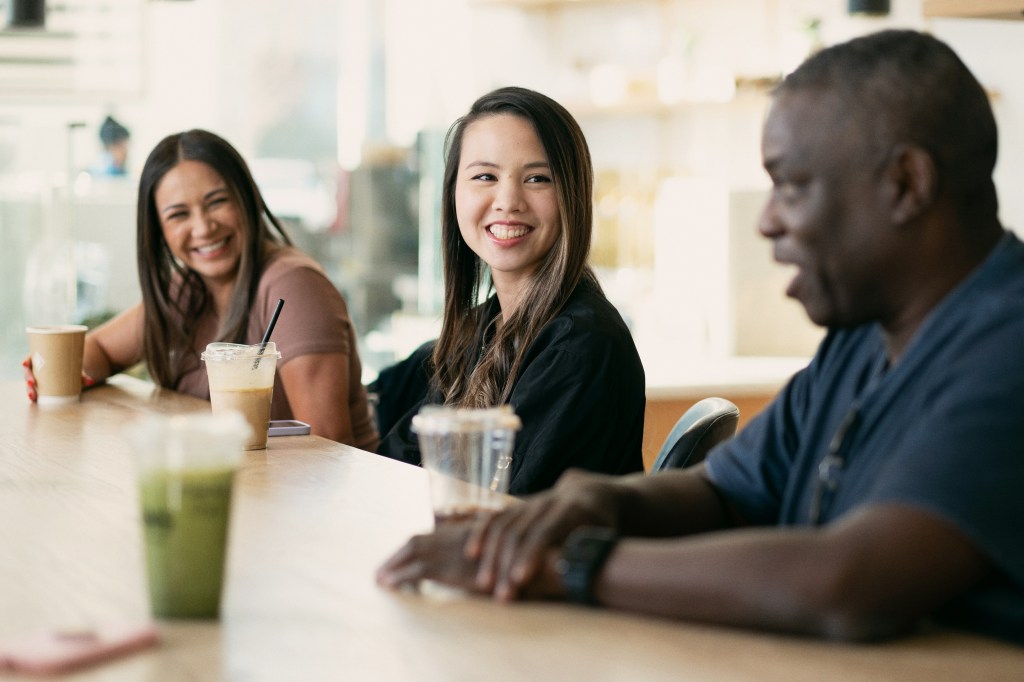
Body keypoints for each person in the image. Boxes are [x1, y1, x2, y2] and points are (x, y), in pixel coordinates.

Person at [377, 30, 1024, 645]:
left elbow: (847, 582)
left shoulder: (1007, 349)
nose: (767, 222)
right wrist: (597, 498)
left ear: (906, 184)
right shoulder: (860, 343)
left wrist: (576, 565)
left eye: (792, 186)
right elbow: (722, 491)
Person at [23, 129, 379, 451]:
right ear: (158, 231)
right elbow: (98, 349)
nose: (203, 227)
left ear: (248, 197)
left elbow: (329, 445)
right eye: (179, 214)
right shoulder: (188, 291)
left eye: (217, 202)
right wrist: (60, 370)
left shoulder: (293, 286)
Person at [376, 86, 645, 495]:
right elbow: (399, 445)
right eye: (485, 176)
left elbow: (515, 513)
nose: (508, 201)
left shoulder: (578, 345)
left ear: (572, 196)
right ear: (453, 194)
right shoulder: (484, 328)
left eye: (538, 179)